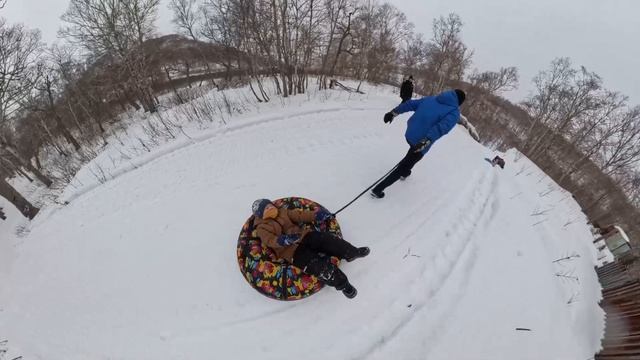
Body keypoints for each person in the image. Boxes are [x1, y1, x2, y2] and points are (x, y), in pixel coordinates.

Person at [251, 199, 370, 299]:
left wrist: (316, 216)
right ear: (261, 215)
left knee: (327, 240)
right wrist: (283, 240)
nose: (270, 209)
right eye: (266, 209)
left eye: (270, 205)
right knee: (317, 266)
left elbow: (299, 215)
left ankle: (351, 252)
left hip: (303, 235)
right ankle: (343, 284)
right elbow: (269, 240)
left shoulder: (283, 211)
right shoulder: (262, 227)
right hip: (290, 251)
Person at [371, 89, 466, 199]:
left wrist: (393, 112)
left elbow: (411, 104)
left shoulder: (432, 99)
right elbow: (441, 128)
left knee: (411, 157)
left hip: (410, 134)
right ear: (459, 102)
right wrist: (425, 142)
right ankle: (378, 189)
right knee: (407, 163)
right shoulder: (454, 113)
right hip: (421, 142)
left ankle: (405, 172)